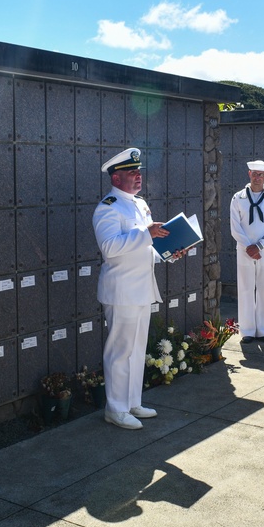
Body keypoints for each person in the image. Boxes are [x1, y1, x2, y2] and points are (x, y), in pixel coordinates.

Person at [93, 147, 178, 430]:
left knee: (137, 349)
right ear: (116, 178)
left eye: (138, 171)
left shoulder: (140, 205)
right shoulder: (108, 207)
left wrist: (165, 253)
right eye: (131, 172)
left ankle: (131, 402)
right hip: (121, 291)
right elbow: (110, 248)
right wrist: (147, 233)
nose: (137, 176)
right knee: (120, 351)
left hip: (141, 289)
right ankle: (115, 408)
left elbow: (143, 249)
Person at [230, 160, 264, 344]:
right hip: (244, 249)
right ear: (249, 174)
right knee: (245, 288)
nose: (257, 177)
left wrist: (259, 246)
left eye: (261, 174)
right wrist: (249, 247)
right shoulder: (238, 198)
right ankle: (247, 331)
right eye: (254, 173)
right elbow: (235, 226)